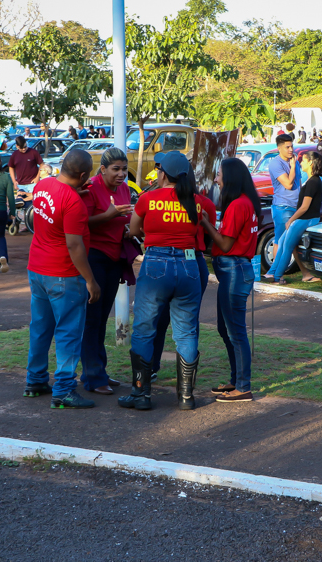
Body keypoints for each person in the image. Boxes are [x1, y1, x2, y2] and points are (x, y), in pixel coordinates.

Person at [119, 151, 204, 411]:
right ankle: (186, 397)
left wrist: (153, 232)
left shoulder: (148, 199)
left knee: (145, 329)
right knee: (186, 332)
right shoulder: (196, 202)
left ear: (163, 173)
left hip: (156, 264)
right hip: (189, 266)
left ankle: (140, 393)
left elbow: (133, 230)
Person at [24, 148, 100, 409]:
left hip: (37, 269)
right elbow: (74, 246)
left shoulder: (43, 185)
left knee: (41, 327)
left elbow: (53, 211)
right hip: (63, 275)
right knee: (68, 332)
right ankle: (64, 390)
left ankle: (35, 380)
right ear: (82, 175)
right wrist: (90, 280)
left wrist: (72, 192)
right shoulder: (74, 203)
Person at [201, 158, 261, 403]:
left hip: (234, 269)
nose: (216, 179)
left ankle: (243, 387)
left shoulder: (238, 205)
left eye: (219, 175)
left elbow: (225, 243)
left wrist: (204, 222)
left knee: (235, 331)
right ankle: (236, 381)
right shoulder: (245, 203)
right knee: (225, 329)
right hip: (234, 269)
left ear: (230, 178)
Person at [80, 147, 134, 395]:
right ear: (102, 170)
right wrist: (109, 215)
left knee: (102, 318)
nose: (121, 174)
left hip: (115, 257)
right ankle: (93, 376)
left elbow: (122, 217)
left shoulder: (124, 187)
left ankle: (97, 370)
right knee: (92, 318)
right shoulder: (91, 188)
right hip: (94, 258)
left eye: (124, 168)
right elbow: (81, 222)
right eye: (116, 169)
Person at [267, 151, 322, 284]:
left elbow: (304, 207)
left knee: (287, 245)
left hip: (307, 218)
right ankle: (272, 272)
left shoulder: (313, 181)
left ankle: (277, 276)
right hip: (303, 218)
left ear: (310, 162)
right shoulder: (310, 180)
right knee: (281, 242)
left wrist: (291, 220)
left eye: (303, 160)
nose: (301, 162)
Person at [267, 133, 301, 266]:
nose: (291, 150)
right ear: (279, 148)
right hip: (283, 207)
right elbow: (288, 184)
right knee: (280, 240)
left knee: (292, 242)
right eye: (287, 147)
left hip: (296, 206)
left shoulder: (294, 161)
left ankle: (303, 271)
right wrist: (292, 167)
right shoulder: (275, 164)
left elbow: (299, 182)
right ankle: (276, 273)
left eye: (292, 146)